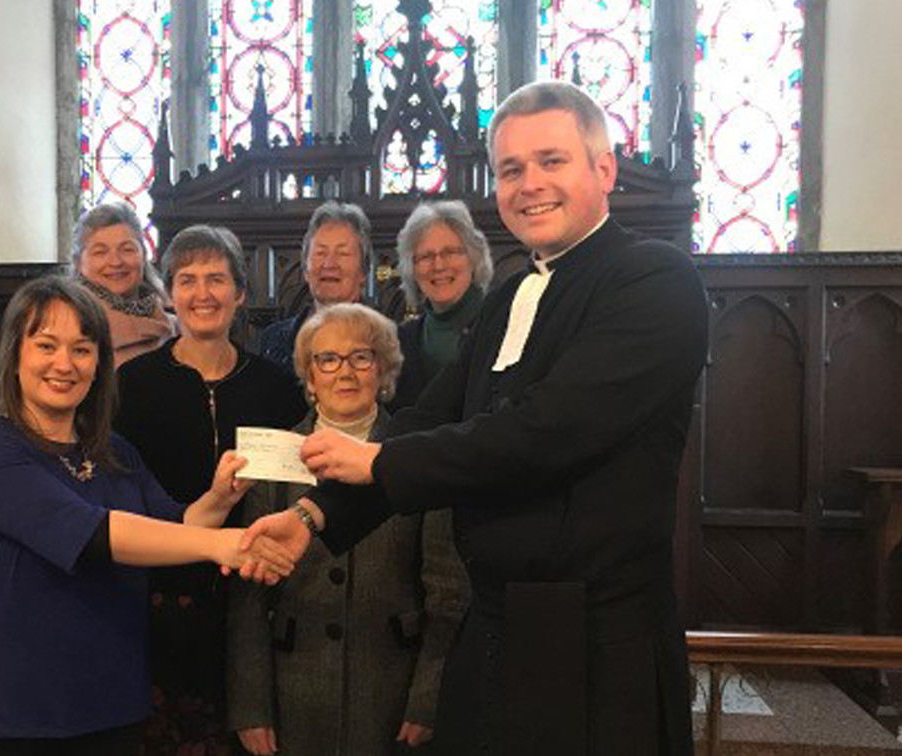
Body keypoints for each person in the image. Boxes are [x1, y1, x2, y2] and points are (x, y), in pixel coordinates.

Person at [241, 81, 710, 755]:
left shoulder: (654, 280)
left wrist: (380, 461)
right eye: (511, 170)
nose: (530, 185)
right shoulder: (511, 295)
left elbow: (548, 430)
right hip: (492, 622)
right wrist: (314, 518)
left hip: (596, 635)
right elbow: (428, 418)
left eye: (553, 161)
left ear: (603, 168)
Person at [0, 275, 292, 756]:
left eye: (83, 350)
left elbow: (176, 529)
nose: (65, 364)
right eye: (47, 345)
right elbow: (92, 534)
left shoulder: (112, 450)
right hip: (18, 704)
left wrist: (218, 499)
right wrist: (225, 544)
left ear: (99, 364)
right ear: (15, 354)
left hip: (111, 695)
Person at [227, 303, 467, 756]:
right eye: (328, 359)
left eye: (362, 357)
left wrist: (428, 697)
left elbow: (447, 590)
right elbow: (250, 597)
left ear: (383, 370)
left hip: (391, 685)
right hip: (294, 687)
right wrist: (250, 704)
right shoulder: (273, 459)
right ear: (310, 377)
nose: (346, 372)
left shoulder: (415, 457)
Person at [115, 225, 308, 755]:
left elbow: (297, 488)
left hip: (257, 589)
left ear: (240, 292)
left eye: (216, 279)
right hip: (163, 594)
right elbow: (121, 491)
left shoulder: (275, 386)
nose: (202, 294)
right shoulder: (133, 386)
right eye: (187, 280)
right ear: (171, 294)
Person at [388, 200, 494, 411]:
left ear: (473, 258)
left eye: (450, 252)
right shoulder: (401, 341)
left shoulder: (500, 324)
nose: (438, 265)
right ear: (412, 269)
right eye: (426, 256)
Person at [257, 201, 372, 370]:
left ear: (363, 271)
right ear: (305, 269)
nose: (329, 264)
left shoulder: (388, 340)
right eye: (320, 252)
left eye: (343, 253)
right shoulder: (274, 341)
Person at [74, 201, 175, 365]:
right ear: (78, 263)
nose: (115, 262)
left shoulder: (178, 327)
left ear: (143, 256)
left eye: (127, 249)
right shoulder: (67, 325)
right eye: (100, 252)